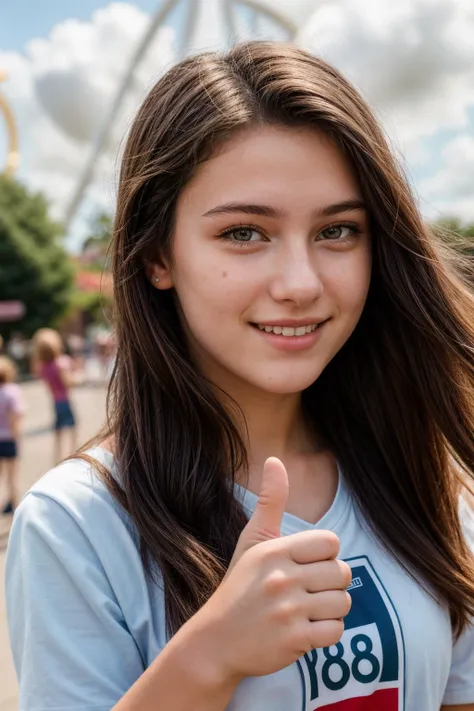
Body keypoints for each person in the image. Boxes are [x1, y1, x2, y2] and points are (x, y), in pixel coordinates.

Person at [5, 41, 474, 711]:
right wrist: (211, 655)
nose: (301, 283)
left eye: (337, 230)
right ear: (156, 256)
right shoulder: (78, 525)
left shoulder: (424, 481)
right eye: (245, 234)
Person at [30, 328, 78, 464]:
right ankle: (73, 454)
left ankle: (57, 456)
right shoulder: (59, 364)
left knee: (58, 429)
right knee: (72, 428)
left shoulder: (43, 367)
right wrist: (76, 379)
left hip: (55, 400)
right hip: (65, 399)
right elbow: (67, 383)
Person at [0, 355, 25, 514]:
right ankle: (13, 502)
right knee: (12, 474)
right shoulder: (12, 391)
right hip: (9, 437)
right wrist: (17, 433)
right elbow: (16, 414)